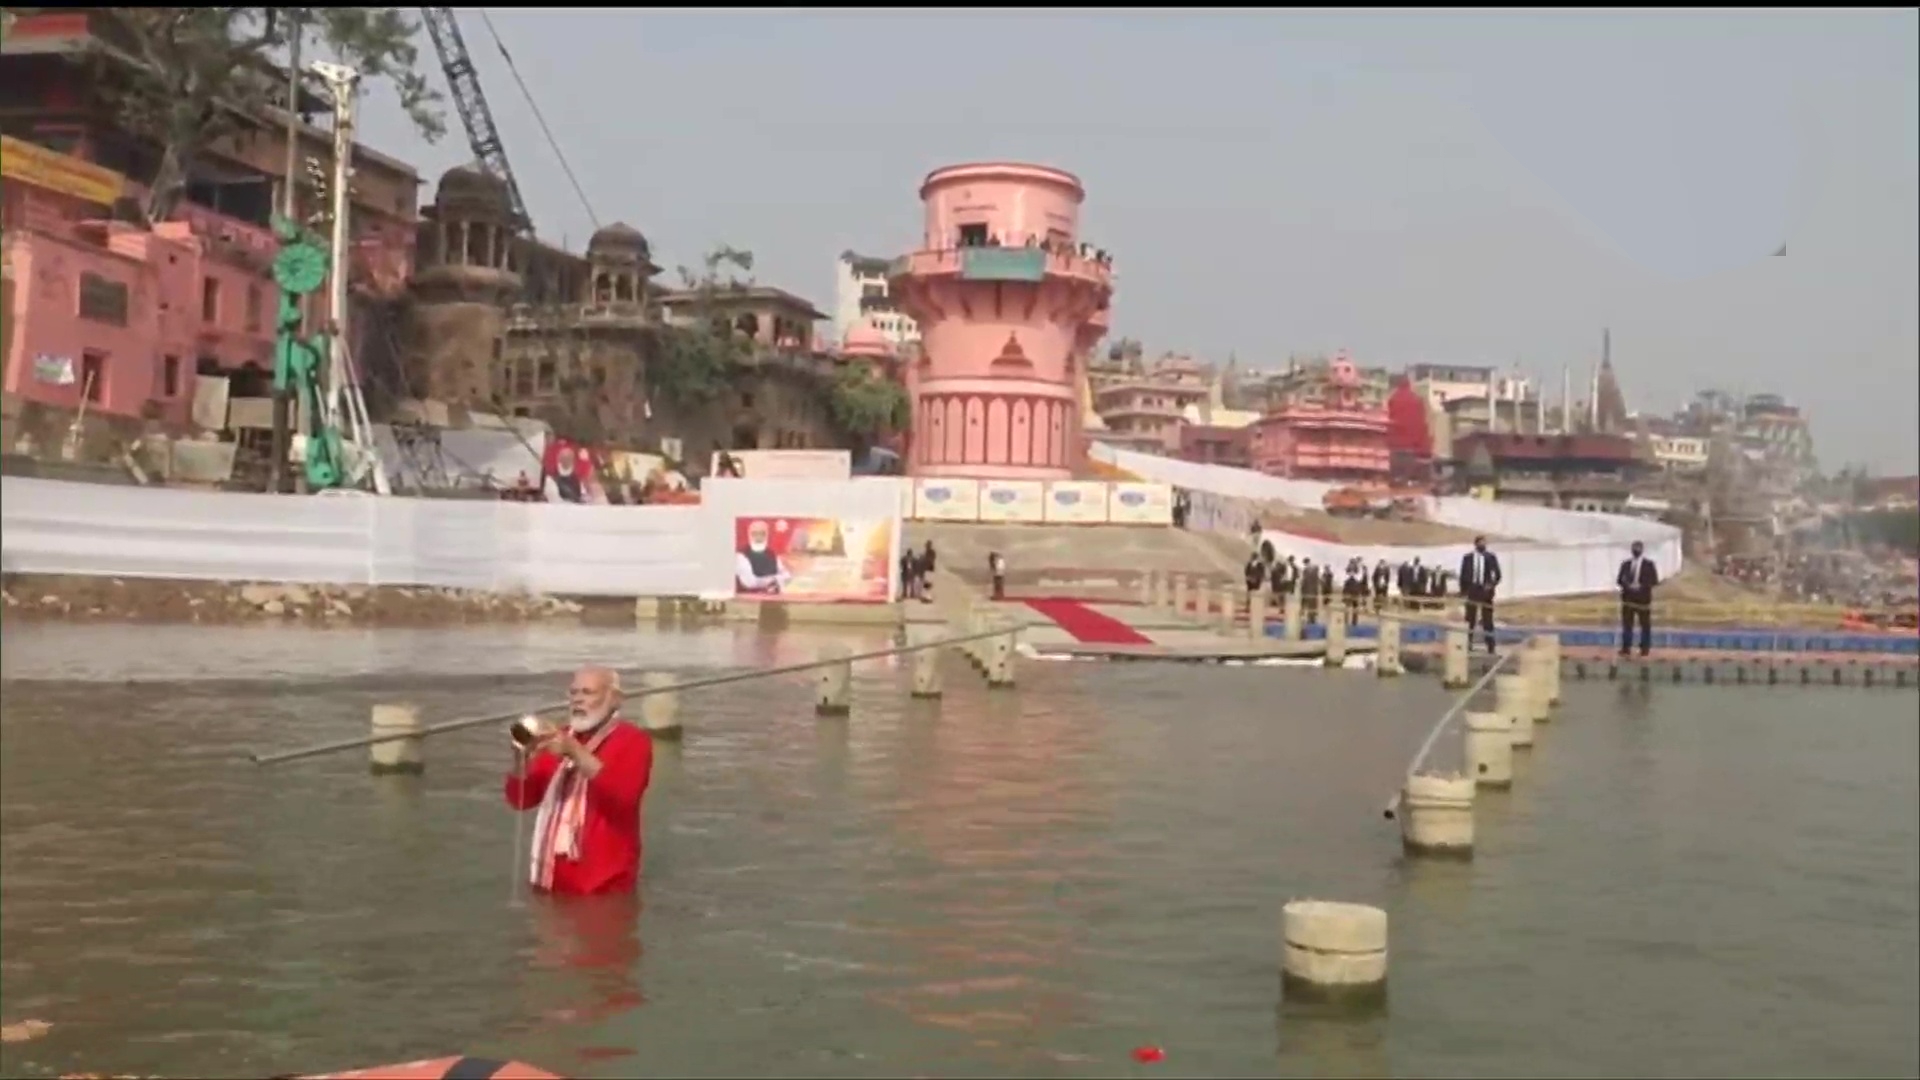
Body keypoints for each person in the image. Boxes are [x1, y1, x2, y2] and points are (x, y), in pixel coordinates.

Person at [504, 665, 655, 897]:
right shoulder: (559, 738)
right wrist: (520, 761)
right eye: (573, 693)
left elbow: (623, 796)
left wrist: (574, 751)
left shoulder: (633, 740)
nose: (578, 700)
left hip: (604, 887)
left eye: (587, 692)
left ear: (614, 699)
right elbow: (520, 800)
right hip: (549, 880)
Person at [1458, 536, 1503, 654]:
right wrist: (1463, 592)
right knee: (1470, 619)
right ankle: (1468, 644)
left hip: (1486, 591)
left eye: (1485, 543)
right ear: (1476, 544)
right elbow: (1463, 576)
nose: (1483, 544)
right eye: (1481, 543)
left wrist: (1491, 585)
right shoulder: (1467, 558)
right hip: (1472, 590)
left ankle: (1491, 646)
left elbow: (1497, 575)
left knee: (1487, 619)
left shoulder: (1491, 557)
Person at [1617, 540, 1660, 657]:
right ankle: (1626, 648)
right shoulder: (1625, 564)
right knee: (1627, 625)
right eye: (1634, 548)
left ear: (1642, 550)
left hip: (1643, 600)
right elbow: (1619, 580)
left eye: (1638, 548)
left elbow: (1654, 580)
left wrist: (1641, 586)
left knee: (1645, 625)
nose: (1636, 550)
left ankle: (1644, 649)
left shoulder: (1649, 565)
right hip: (1628, 599)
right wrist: (1628, 586)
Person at [735, 519, 792, 594]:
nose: (758, 537)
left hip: (771, 599)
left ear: (766, 535)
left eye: (762, 534)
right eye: (755, 534)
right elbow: (750, 583)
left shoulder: (772, 555)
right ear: (749, 535)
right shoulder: (741, 555)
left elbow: (787, 576)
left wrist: (775, 580)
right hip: (748, 601)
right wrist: (775, 579)